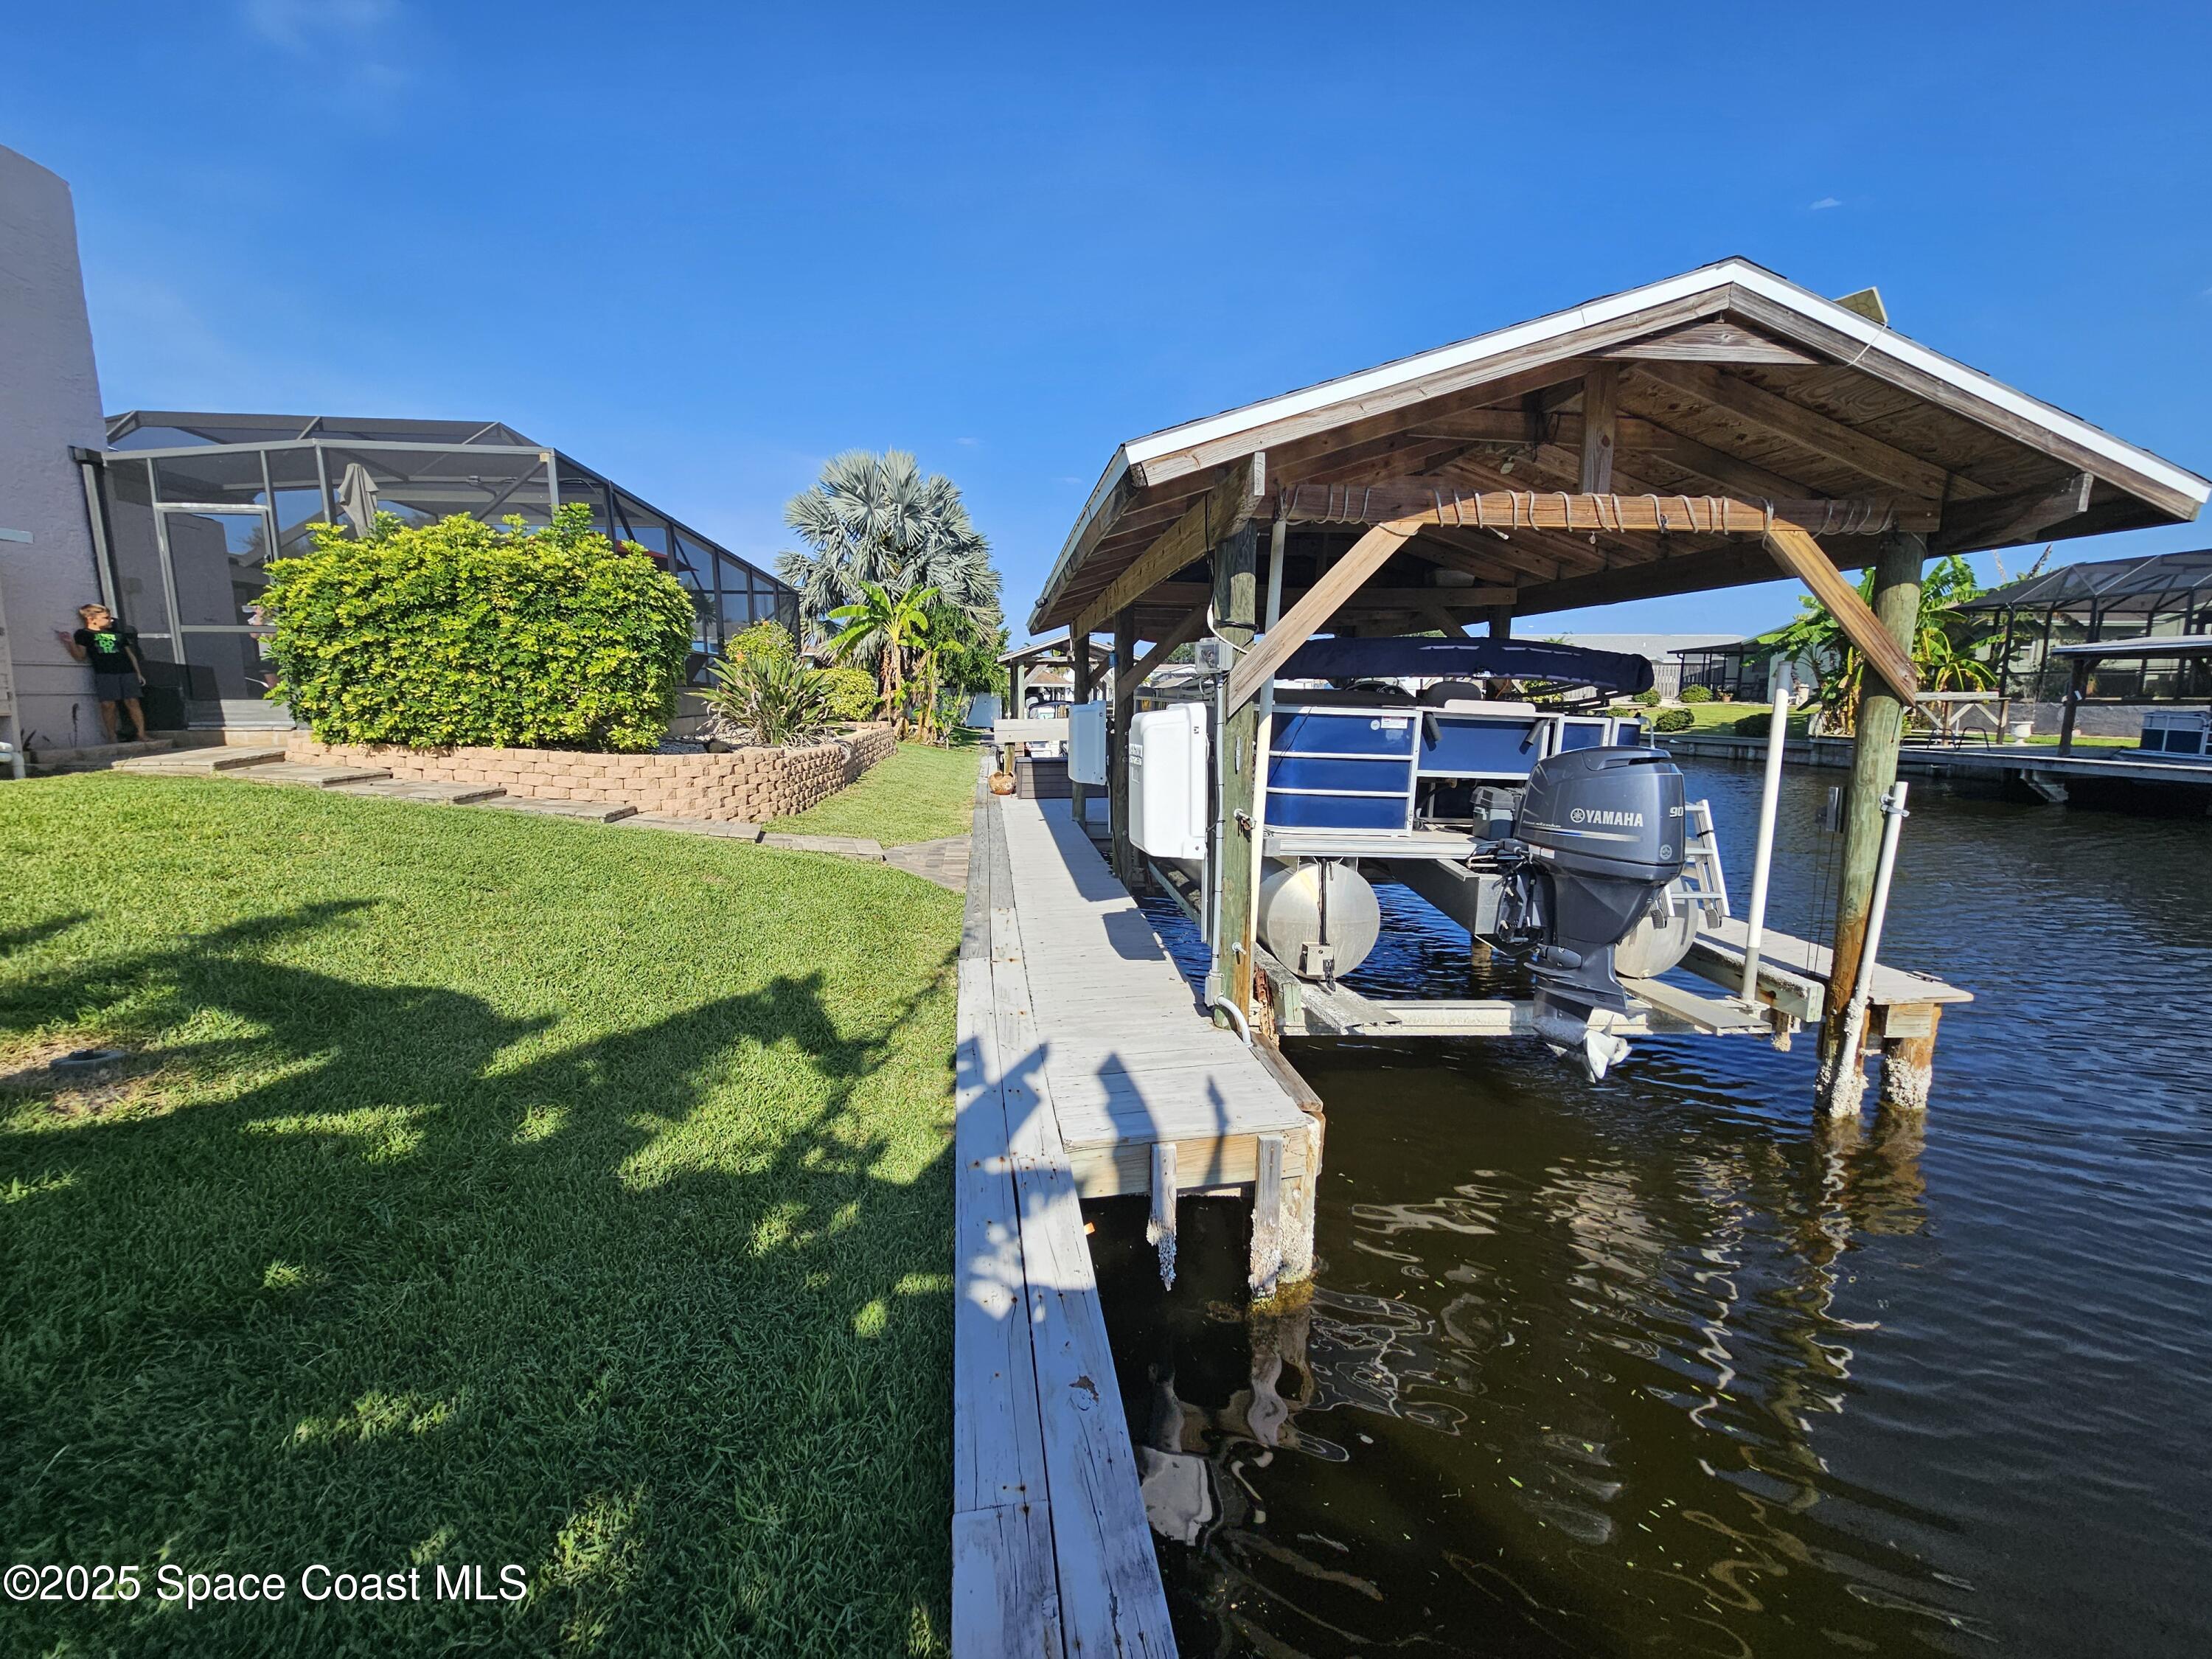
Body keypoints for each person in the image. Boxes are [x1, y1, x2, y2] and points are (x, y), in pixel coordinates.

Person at [59, 603, 150, 743]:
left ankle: (141, 734)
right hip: (105, 673)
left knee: (133, 701)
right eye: (106, 618)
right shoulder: (84, 634)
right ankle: (112, 736)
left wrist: (138, 673)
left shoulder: (117, 635)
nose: (110, 620)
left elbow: (130, 655)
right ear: (92, 619)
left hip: (126, 671)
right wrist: (69, 643)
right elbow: (80, 656)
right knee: (108, 705)